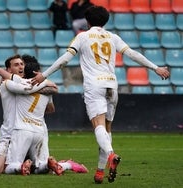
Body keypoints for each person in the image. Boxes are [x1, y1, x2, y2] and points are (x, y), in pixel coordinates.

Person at [31, 6, 170, 184]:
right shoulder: (113, 37)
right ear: (105, 21)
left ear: (87, 21)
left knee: (98, 125)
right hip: (112, 84)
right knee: (107, 129)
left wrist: (45, 74)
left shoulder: (82, 36)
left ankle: (111, 155)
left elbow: (66, 58)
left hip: (94, 85)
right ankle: (99, 172)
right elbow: (133, 54)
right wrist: (155, 68)